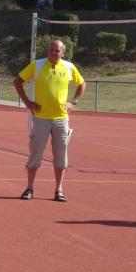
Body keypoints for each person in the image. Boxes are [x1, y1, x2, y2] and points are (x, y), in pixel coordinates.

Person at [13, 39, 86, 202]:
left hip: (61, 119)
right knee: (35, 154)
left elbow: (82, 84)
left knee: (61, 157)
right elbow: (17, 81)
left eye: (57, 50)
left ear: (63, 53)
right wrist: (28, 102)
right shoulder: (37, 65)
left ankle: (59, 190)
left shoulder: (69, 67)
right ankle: (29, 188)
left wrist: (73, 102)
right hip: (40, 118)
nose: (53, 52)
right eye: (51, 49)